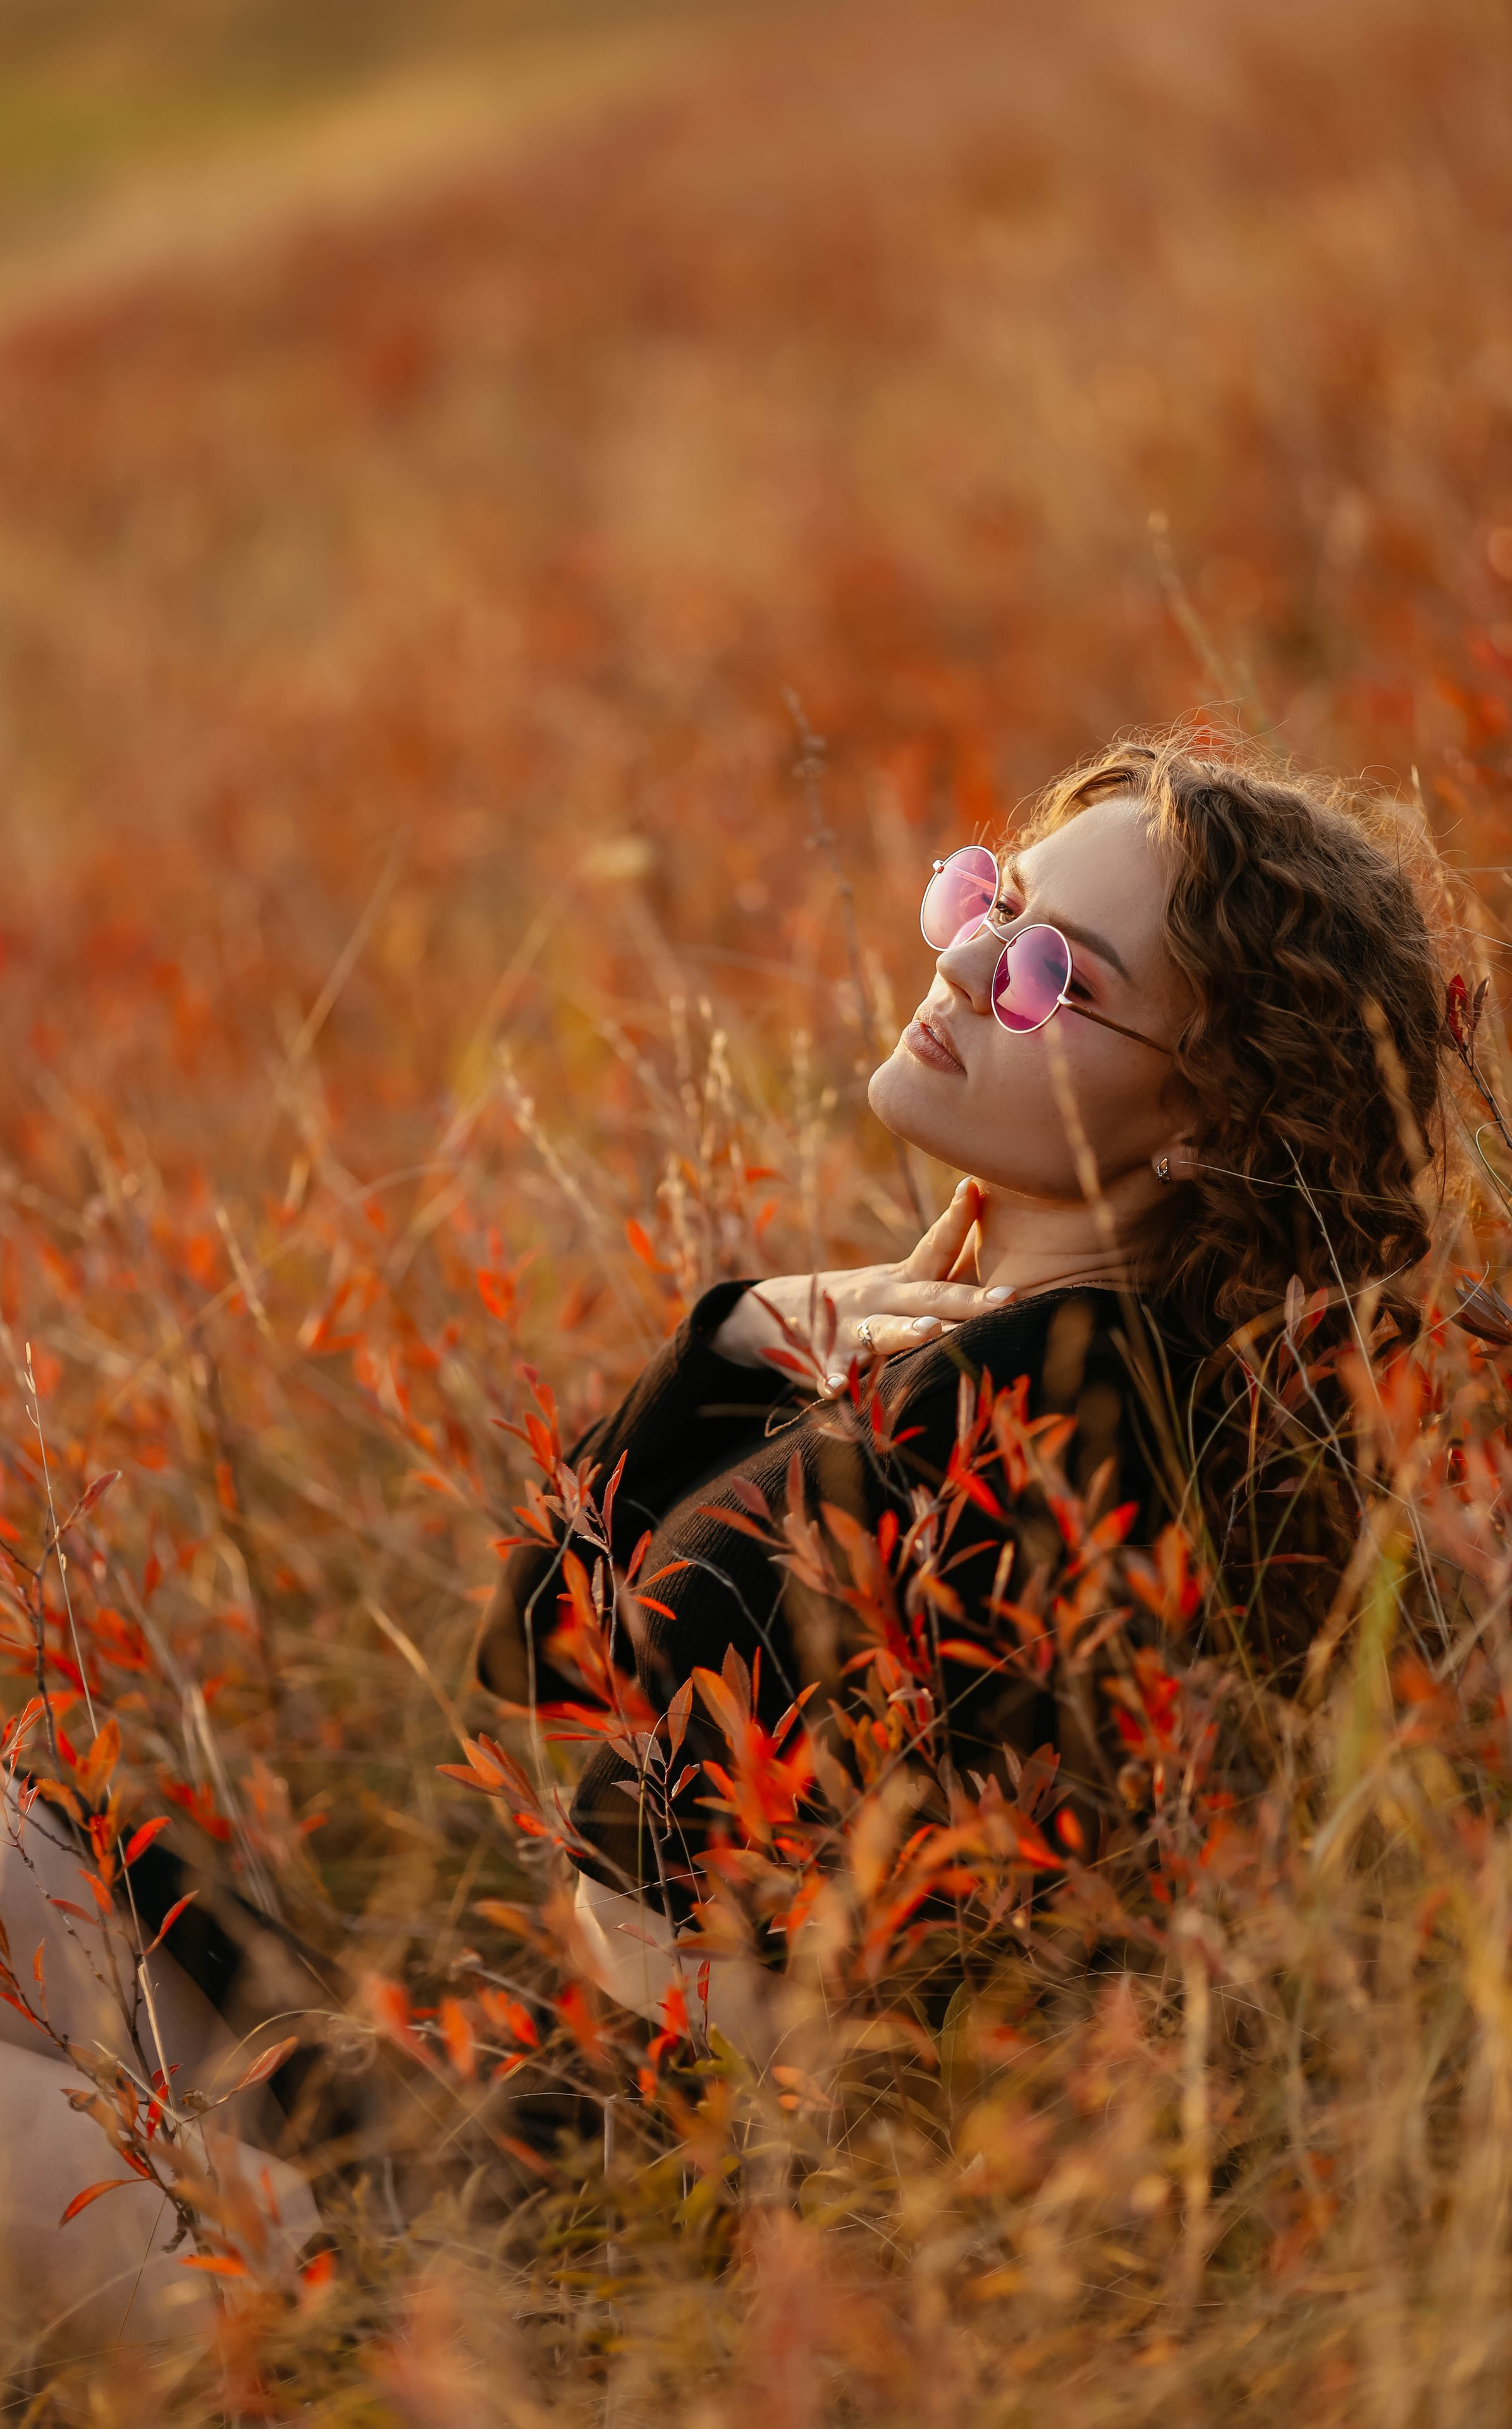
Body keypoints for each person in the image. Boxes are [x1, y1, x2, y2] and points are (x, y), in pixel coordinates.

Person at [477, 732, 1453, 2063]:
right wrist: (741, 1337)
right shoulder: (984, 1359)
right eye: (994, 907)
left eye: (1051, 976)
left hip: (568, 2149)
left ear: (1204, 1125)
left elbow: (594, 1760)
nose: (957, 966)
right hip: (554, 2097)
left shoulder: (1053, 1400)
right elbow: (543, 1649)